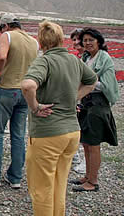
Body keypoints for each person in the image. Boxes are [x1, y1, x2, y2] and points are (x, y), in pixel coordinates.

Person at [21, 21, 97, 215]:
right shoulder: (73, 60)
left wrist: (35, 107)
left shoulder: (44, 61)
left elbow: (28, 85)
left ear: (41, 40)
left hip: (48, 133)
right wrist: (74, 98)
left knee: (41, 189)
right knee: (58, 184)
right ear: (61, 38)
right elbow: (92, 80)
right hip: (71, 132)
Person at [0, 13, 39, 188]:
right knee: (18, 134)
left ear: (6, 26)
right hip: (26, 91)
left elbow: (1, 57)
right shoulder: (34, 41)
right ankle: (15, 177)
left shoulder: (7, 36)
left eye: (0, 29)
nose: (0, 32)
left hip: (8, 89)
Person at [71, 27, 119, 192]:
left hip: (98, 104)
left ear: (99, 41)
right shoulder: (86, 57)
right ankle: (87, 176)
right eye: (85, 40)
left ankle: (93, 181)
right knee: (86, 141)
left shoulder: (104, 58)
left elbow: (105, 85)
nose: (87, 43)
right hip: (86, 103)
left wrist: (89, 83)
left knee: (94, 143)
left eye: (91, 40)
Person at [70, 28, 86, 171]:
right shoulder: (78, 57)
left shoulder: (91, 57)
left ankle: (85, 162)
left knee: (85, 128)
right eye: (74, 40)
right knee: (75, 125)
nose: (76, 42)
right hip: (76, 97)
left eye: (78, 39)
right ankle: (75, 154)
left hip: (86, 98)